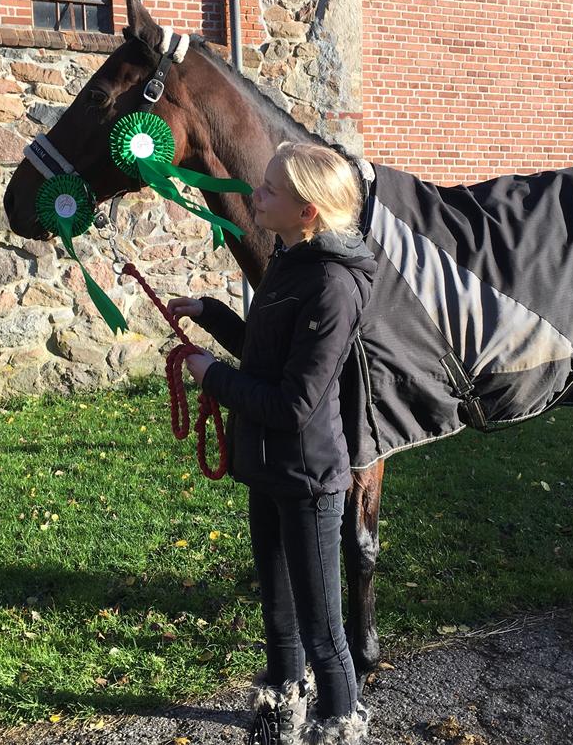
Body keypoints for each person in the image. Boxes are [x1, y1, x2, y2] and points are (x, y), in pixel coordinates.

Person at [168, 142, 376, 745]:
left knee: (323, 632)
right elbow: (264, 353)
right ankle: (280, 711)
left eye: (269, 191)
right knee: (279, 617)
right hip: (264, 468)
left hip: (307, 478)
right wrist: (210, 312)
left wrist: (212, 376)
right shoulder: (289, 260)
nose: (254, 196)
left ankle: (339, 728)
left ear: (308, 211)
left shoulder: (333, 285)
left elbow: (293, 404)